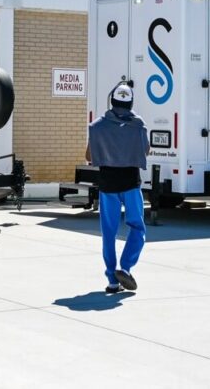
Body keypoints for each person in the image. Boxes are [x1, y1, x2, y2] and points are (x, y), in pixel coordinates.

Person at [85, 83, 149, 294]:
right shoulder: (138, 125)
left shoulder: (97, 126)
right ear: (130, 102)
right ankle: (126, 268)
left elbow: (89, 156)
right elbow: (146, 150)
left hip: (107, 185)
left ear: (112, 101)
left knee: (109, 233)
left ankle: (113, 280)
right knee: (138, 229)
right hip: (131, 183)